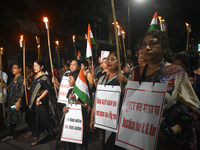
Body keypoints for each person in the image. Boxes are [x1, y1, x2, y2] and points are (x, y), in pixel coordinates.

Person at [118, 30, 200, 149]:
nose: (148, 47)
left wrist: (174, 129)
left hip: (165, 142)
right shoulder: (135, 73)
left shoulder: (176, 72)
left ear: (164, 48)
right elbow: (130, 105)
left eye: (153, 43)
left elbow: (195, 108)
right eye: (144, 45)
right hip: (138, 137)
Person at [90, 52, 127, 150]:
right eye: (108, 59)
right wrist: (92, 117)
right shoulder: (102, 79)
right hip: (103, 119)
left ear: (120, 62)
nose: (109, 62)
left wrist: (126, 81)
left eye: (113, 59)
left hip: (117, 122)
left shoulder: (123, 79)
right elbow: (98, 98)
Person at [30, 60, 58, 146]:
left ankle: (41, 137)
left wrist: (39, 98)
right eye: (34, 66)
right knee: (38, 118)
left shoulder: (44, 77)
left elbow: (47, 90)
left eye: (36, 66)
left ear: (41, 67)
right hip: (35, 101)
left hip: (42, 101)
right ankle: (53, 132)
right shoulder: (34, 76)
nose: (34, 68)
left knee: (43, 118)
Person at [61, 70, 88, 150]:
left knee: (81, 145)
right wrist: (65, 109)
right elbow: (67, 104)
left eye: (70, 79)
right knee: (70, 144)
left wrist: (75, 100)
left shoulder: (83, 92)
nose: (68, 81)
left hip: (80, 122)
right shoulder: (70, 91)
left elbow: (86, 107)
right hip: (71, 122)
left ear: (76, 81)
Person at [1, 63, 25, 141]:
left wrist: (19, 101)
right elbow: (9, 88)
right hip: (11, 101)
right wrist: (4, 86)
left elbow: (22, 91)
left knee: (21, 115)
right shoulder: (13, 78)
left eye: (15, 68)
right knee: (12, 116)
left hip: (17, 101)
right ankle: (10, 134)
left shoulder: (21, 79)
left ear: (20, 69)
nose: (13, 69)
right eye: (12, 68)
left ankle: (34, 131)